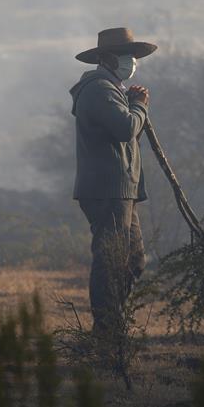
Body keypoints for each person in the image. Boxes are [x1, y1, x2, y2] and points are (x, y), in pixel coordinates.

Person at [69, 27, 156, 336]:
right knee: (111, 259)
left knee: (133, 259)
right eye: (125, 56)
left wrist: (134, 104)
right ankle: (107, 331)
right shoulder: (99, 89)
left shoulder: (112, 88)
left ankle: (112, 324)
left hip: (121, 190)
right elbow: (125, 128)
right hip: (107, 190)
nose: (131, 62)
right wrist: (140, 105)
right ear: (105, 58)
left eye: (132, 56)